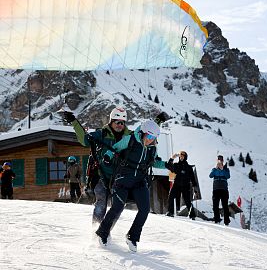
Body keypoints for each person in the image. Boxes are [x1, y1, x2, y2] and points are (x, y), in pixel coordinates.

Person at [95, 120, 171, 252]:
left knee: (145, 209)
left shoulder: (152, 148)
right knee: (117, 207)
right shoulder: (130, 140)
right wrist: (108, 156)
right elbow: (116, 148)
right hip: (123, 179)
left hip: (139, 182)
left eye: (153, 138)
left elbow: (154, 162)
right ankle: (102, 232)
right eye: (149, 136)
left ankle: (132, 237)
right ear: (143, 133)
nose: (151, 140)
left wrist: (167, 165)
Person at [63, 106, 131, 224]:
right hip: (102, 176)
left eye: (122, 122)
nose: (120, 125)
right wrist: (74, 122)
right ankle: (96, 229)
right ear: (111, 121)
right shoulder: (102, 134)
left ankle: (105, 231)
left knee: (118, 206)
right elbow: (85, 140)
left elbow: (145, 139)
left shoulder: (130, 136)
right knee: (101, 202)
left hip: (120, 177)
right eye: (117, 122)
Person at [166, 151, 197, 219]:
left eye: (183, 156)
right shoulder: (176, 165)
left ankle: (192, 215)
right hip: (177, 184)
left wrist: (195, 187)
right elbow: (168, 166)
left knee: (187, 200)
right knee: (171, 196)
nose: (181, 157)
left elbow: (193, 178)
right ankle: (170, 212)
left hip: (186, 186)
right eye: (180, 156)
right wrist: (172, 158)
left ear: (185, 157)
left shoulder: (189, 167)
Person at [209, 155, 230, 225]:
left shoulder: (226, 169)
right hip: (216, 189)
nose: (220, 161)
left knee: (225, 206)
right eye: (218, 160)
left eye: (221, 160)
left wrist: (222, 169)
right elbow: (210, 175)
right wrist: (216, 168)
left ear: (223, 161)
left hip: (224, 190)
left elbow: (228, 176)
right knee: (215, 205)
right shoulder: (214, 169)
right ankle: (216, 219)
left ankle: (226, 221)